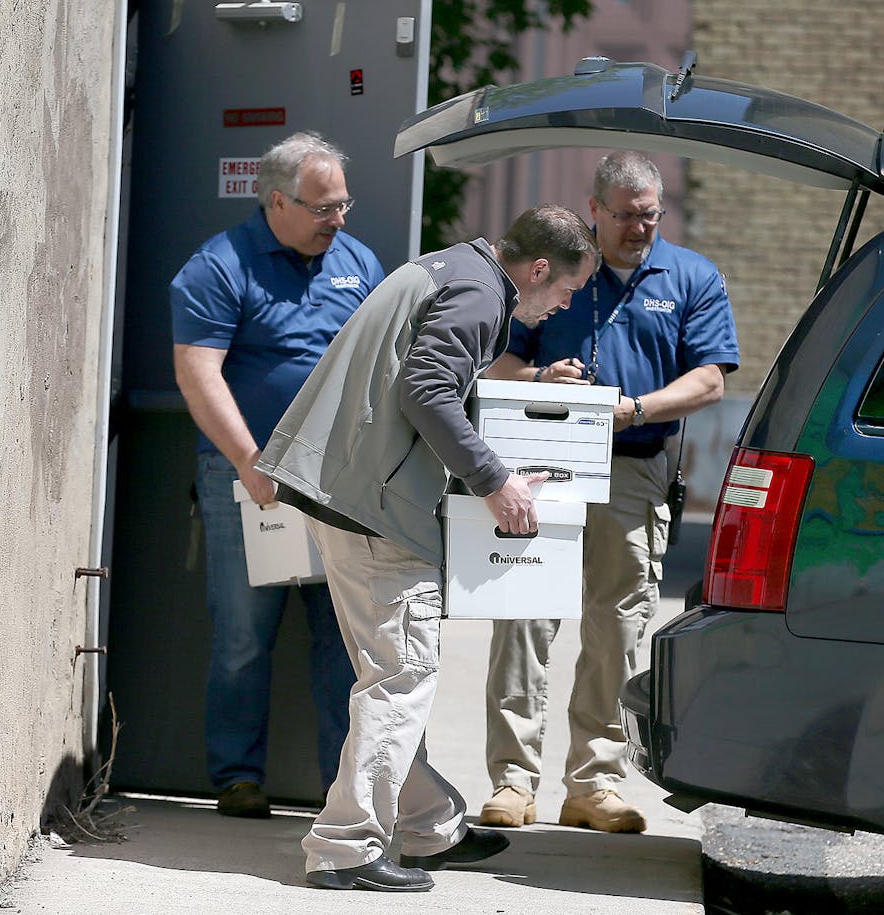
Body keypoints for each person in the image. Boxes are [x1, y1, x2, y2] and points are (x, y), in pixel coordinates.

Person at [257, 204, 602, 891]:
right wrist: (493, 480)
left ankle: (430, 824)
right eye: (565, 290)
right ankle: (345, 845)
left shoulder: (453, 268)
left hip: (349, 492)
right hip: (375, 508)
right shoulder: (480, 294)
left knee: (392, 677)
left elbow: (414, 390)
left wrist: (492, 472)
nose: (563, 305)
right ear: (538, 269)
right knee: (402, 677)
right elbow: (425, 389)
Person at [478, 151, 739, 834]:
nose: (637, 228)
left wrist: (637, 406)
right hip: (545, 465)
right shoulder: (561, 265)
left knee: (617, 626)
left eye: (649, 215)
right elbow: (498, 363)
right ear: (594, 209)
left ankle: (593, 782)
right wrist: (538, 379)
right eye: (624, 216)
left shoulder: (690, 276)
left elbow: (710, 379)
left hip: (634, 464)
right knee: (524, 617)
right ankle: (513, 779)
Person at [170, 131, 384, 819]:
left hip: (336, 485)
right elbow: (198, 372)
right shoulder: (220, 265)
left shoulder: (358, 262)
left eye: (344, 205)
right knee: (241, 635)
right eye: (324, 208)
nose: (338, 221)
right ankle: (237, 777)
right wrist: (247, 459)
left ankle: (339, 786)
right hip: (250, 479)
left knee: (341, 639)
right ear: (275, 201)